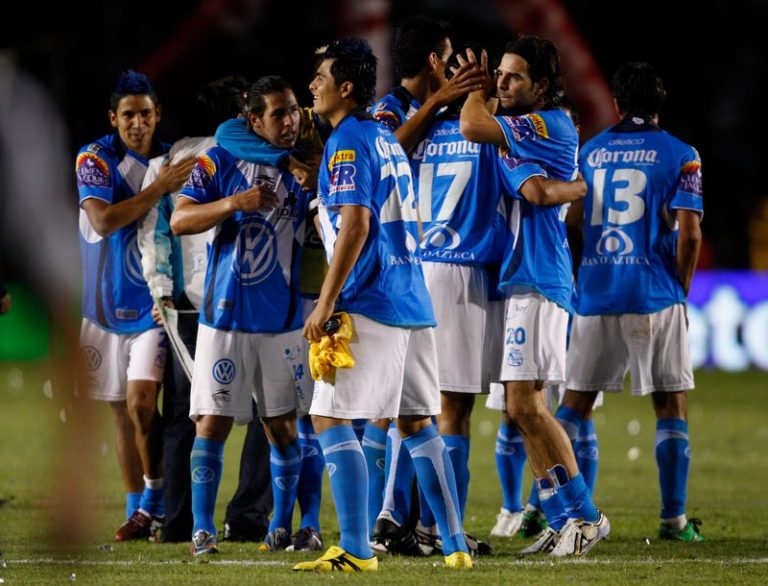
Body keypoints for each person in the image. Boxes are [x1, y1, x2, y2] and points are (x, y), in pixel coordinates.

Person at [294, 37, 472, 573]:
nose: (312, 86)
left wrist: (327, 300)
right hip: (412, 297)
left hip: (371, 298)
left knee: (328, 417)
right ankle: (456, 545)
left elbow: (357, 223)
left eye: (320, 78)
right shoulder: (383, 137)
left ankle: (354, 547)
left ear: (345, 88)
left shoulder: (347, 141)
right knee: (419, 422)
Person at [459, 36, 609, 557]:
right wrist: (571, 187)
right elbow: (539, 191)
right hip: (520, 279)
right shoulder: (521, 138)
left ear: (541, 86)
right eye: (497, 73)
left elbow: (472, 126)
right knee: (521, 409)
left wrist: (475, 90)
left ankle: (586, 516)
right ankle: (561, 514)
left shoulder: (547, 124)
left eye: (513, 76)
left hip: (541, 279)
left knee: (527, 404)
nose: (501, 82)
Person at [560, 61, 704, 542]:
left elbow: (573, 220)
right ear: (659, 105)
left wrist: (591, 263)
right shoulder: (682, 154)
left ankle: (563, 508)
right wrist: (680, 283)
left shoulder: (591, 151)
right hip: (654, 291)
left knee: (573, 405)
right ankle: (673, 521)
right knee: (670, 403)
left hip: (597, 290)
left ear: (617, 105)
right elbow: (690, 233)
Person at [171, 75, 312, 557]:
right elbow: (179, 219)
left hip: (282, 321)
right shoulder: (221, 157)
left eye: (293, 110)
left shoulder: (306, 162)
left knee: (283, 428)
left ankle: (280, 525)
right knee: (211, 423)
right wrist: (235, 203)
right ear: (254, 120)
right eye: (278, 113)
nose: (290, 120)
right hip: (223, 318)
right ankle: (202, 532)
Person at [137, 75, 275, 544]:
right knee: (263, 413)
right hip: (227, 303)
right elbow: (165, 224)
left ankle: (178, 521)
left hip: (190, 305)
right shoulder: (242, 156)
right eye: (248, 108)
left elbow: (152, 233)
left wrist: (160, 291)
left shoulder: (169, 160)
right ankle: (248, 515)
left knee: (185, 415)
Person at [76, 70, 196, 542]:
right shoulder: (95, 159)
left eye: (146, 114)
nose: (137, 123)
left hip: (149, 311)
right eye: (128, 115)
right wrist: (157, 190)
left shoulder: (173, 162)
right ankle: (138, 507)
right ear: (114, 118)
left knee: (143, 405)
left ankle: (151, 502)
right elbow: (103, 221)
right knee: (120, 414)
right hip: (100, 310)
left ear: (157, 114)